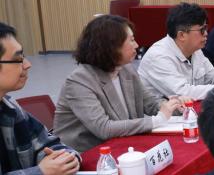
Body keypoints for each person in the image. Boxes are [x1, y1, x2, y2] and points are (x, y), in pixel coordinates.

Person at [53, 15, 181, 154]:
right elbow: (104, 128)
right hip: (86, 155)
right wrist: (157, 120)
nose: (137, 45)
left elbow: (150, 104)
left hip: (123, 146)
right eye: (131, 40)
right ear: (111, 46)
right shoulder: (79, 81)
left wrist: (174, 106)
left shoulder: (126, 70)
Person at [0, 22, 81, 175]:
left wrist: (63, 161)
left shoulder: (10, 109)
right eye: (18, 59)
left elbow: (52, 145)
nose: (27, 64)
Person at [138, 3, 214, 101]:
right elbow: (183, 92)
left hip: (188, 111)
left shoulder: (194, 49)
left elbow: (212, 74)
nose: (206, 33)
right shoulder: (158, 57)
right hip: (161, 114)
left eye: (206, 28)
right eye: (201, 30)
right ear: (181, 35)